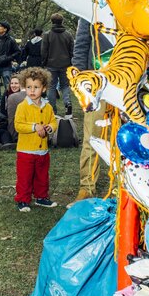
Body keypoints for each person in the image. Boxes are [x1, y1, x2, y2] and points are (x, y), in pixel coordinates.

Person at [69, 18, 113, 206]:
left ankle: (122, 187)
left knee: (122, 138)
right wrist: (79, 79)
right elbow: (81, 45)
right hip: (96, 84)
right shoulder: (89, 6)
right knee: (92, 139)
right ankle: (87, 188)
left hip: (128, 81)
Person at [13, 67, 58, 212]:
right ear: (24, 88)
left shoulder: (48, 107)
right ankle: (23, 199)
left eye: (36, 87)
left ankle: (41, 197)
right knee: (25, 177)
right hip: (26, 150)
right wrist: (34, 127)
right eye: (29, 87)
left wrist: (50, 128)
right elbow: (18, 125)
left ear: (43, 88)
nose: (32, 91)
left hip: (43, 151)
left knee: (42, 176)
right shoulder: (22, 106)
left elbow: (53, 121)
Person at [41, 13, 74, 115]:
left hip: (51, 64)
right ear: (62, 22)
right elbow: (72, 50)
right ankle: (67, 104)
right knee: (65, 85)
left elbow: (43, 51)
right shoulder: (68, 35)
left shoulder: (47, 35)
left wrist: (44, 63)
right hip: (66, 64)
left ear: (51, 22)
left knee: (51, 86)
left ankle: (52, 109)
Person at [5, 71, 28, 142]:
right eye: (12, 83)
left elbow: (11, 119)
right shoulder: (7, 94)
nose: (13, 85)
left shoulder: (13, 97)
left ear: (21, 84)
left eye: (16, 83)